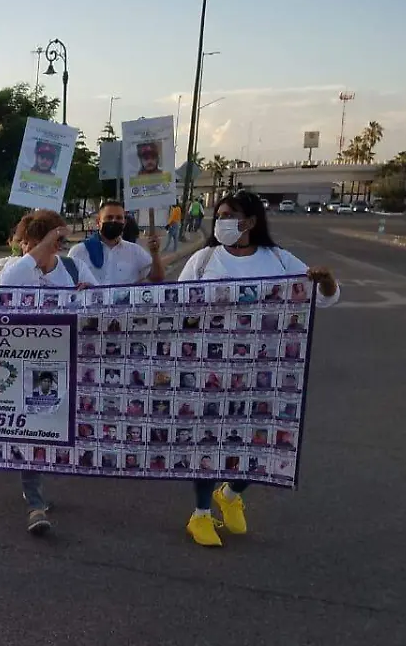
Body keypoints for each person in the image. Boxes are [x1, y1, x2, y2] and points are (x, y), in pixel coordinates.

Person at [177, 190, 339, 547]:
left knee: (261, 440)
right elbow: (177, 305)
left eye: (228, 216)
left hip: (265, 373)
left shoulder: (278, 260)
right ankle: (201, 513)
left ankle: (231, 494)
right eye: (217, 216)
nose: (221, 222)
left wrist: (325, 281)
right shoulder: (203, 260)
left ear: (250, 221)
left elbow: (324, 297)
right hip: (211, 369)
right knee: (207, 441)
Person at [0, 210, 98, 536]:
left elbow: (100, 302)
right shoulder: (14, 268)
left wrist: (86, 297)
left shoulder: (72, 267)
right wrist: (39, 247)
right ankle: (35, 503)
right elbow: (7, 286)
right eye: (27, 243)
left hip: (67, 359)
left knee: (60, 425)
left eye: (39, 242)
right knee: (34, 427)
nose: (31, 250)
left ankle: (36, 487)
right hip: (25, 363)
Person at [69, 201, 164, 285]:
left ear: (124, 223)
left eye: (118, 218)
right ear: (98, 222)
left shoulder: (135, 251)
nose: (114, 221)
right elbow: (66, 285)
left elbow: (157, 278)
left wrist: (155, 253)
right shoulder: (79, 251)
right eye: (109, 217)